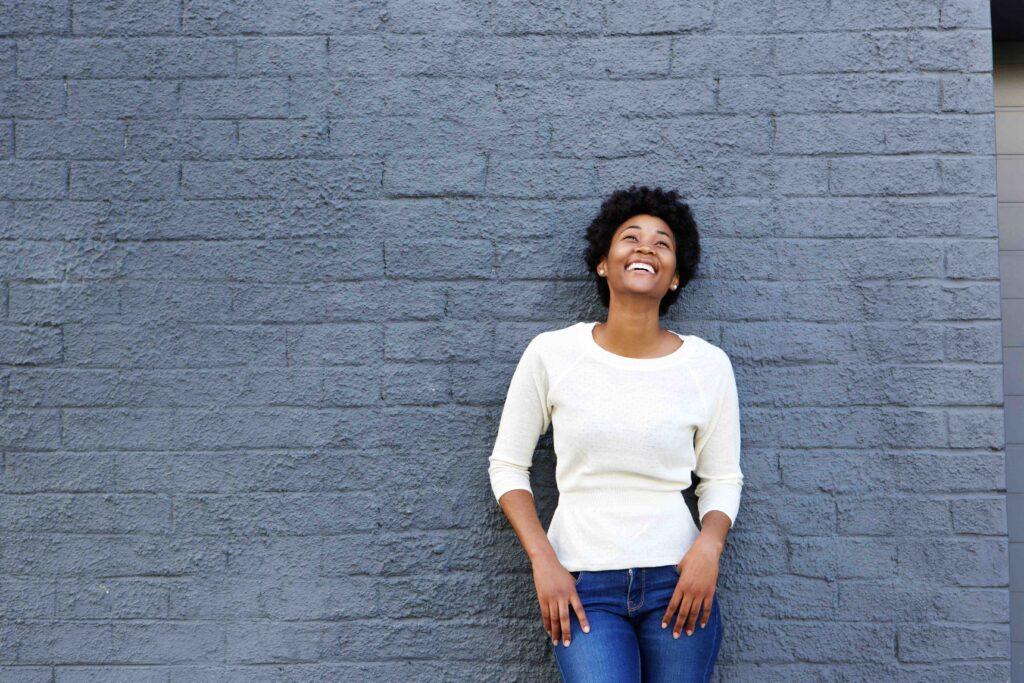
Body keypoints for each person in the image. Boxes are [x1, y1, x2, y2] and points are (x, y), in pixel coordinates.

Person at [487, 185, 743, 682]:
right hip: (582, 588)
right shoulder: (552, 354)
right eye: (631, 237)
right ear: (603, 263)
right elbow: (508, 466)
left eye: (663, 243)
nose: (646, 247)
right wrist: (544, 561)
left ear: (674, 278)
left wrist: (709, 548)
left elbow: (722, 478)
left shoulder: (707, 365)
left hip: (679, 585)